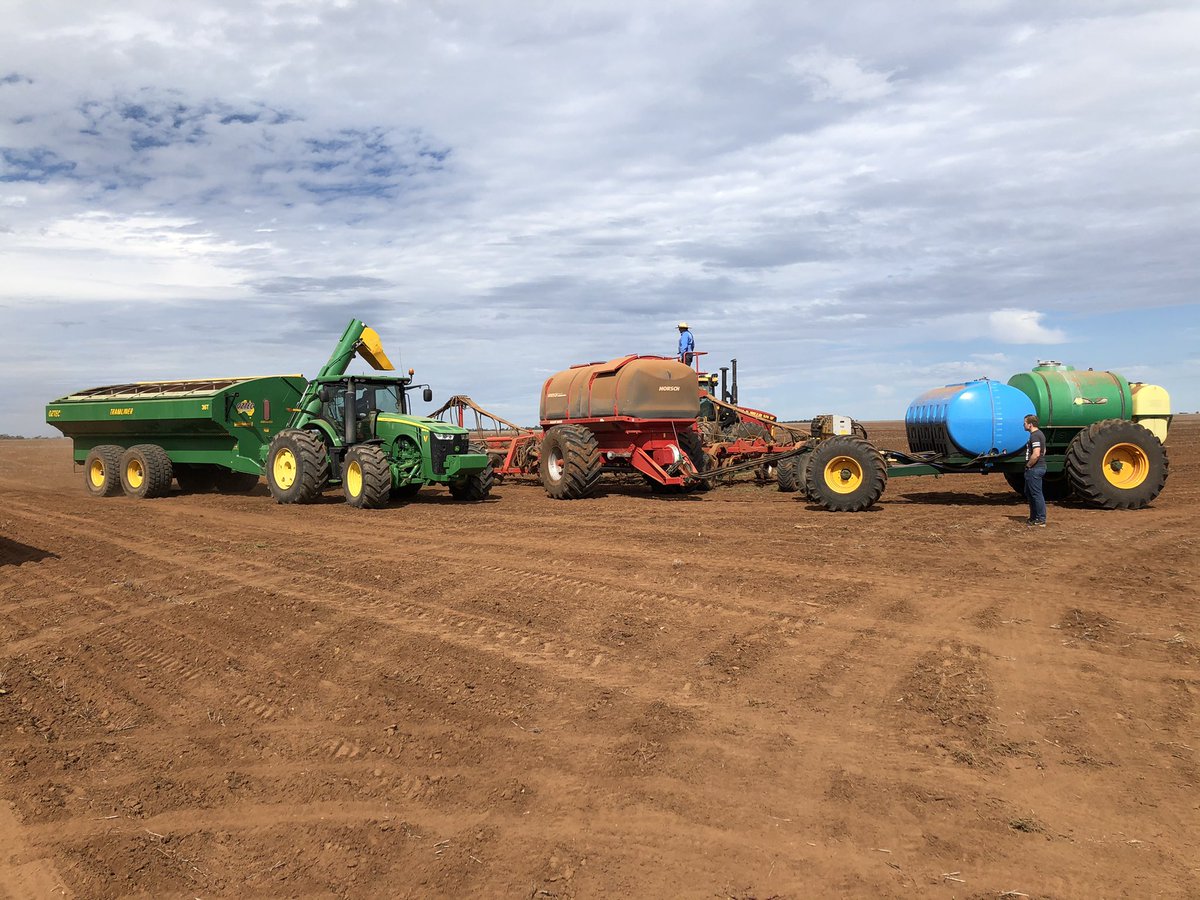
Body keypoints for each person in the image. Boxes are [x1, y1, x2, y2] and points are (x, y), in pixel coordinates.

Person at [1023, 413, 1047, 527]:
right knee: (1030, 492)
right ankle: (1034, 517)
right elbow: (1044, 450)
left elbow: (1036, 454)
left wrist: (1028, 465)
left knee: (1036, 493)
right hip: (1037, 468)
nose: (1023, 425)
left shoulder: (1035, 436)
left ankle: (1040, 518)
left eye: (1025, 423)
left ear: (1030, 424)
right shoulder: (1040, 434)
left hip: (1035, 469)